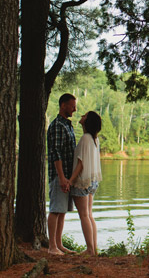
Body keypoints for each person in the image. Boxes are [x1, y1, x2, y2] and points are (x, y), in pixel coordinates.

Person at [47, 93, 77, 255]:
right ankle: (52, 247)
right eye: (73, 106)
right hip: (60, 176)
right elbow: (55, 153)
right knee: (55, 210)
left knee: (62, 211)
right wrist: (61, 177)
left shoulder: (67, 125)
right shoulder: (58, 125)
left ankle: (59, 244)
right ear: (63, 105)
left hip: (67, 176)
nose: (75, 109)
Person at [69, 111, 103, 256]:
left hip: (83, 181)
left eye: (84, 115)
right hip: (93, 181)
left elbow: (80, 164)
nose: (81, 116)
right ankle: (93, 248)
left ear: (87, 121)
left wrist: (70, 181)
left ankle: (90, 250)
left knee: (84, 215)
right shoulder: (95, 139)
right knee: (89, 215)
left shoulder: (85, 138)